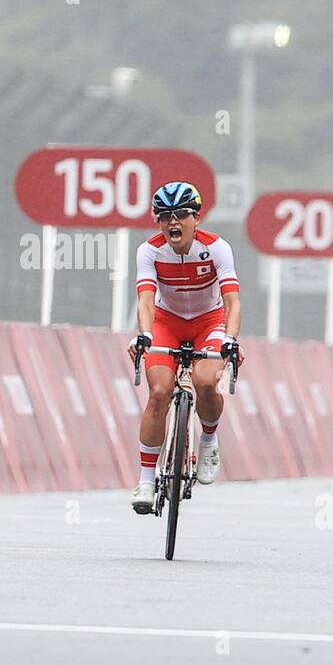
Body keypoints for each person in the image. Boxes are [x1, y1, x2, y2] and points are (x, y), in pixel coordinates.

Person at [127, 181, 244, 514]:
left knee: (206, 382)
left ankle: (208, 439)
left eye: (180, 215)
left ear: (196, 217)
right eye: (164, 217)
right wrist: (145, 334)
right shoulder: (149, 250)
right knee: (159, 392)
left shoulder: (217, 248)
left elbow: (232, 302)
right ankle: (146, 480)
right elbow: (146, 300)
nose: (172, 223)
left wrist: (229, 339)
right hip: (167, 321)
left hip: (209, 320)